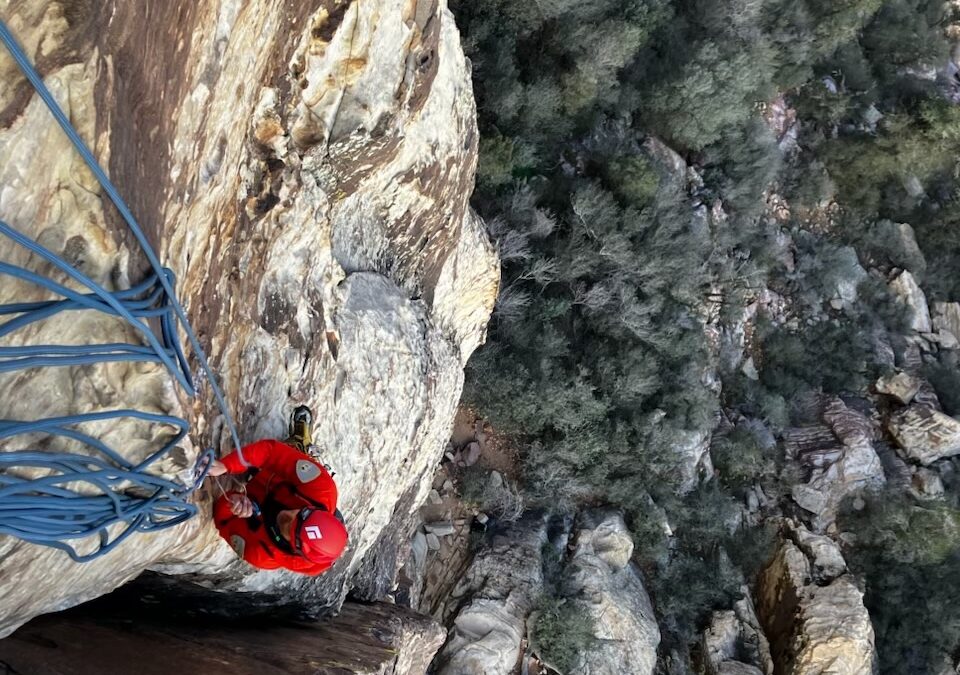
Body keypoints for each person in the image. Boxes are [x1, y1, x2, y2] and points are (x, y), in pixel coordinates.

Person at [206, 406, 348, 575]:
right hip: (274, 480)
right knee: (296, 460)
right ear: (311, 510)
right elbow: (271, 453)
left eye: (289, 529)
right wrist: (227, 465)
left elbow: (222, 522)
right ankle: (299, 447)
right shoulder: (322, 489)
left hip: (256, 496)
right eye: (299, 514)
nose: (286, 517)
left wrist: (232, 503)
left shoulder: (261, 555)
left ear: (295, 550)